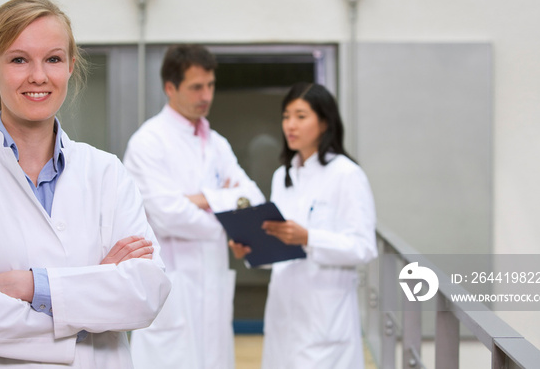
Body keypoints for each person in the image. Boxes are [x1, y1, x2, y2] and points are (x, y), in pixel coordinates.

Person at [0, 0, 171, 368]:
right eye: (19, 60)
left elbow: (146, 294)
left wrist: (28, 285)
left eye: (53, 59)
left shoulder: (107, 173)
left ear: (70, 67)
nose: (39, 76)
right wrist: (92, 299)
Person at [123, 44, 265, 369]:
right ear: (170, 88)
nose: (206, 95)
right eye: (196, 87)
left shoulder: (217, 143)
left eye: (211, 85)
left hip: (211, 289)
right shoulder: (148, 142)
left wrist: (199, 199)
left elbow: (253, 199)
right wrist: (224, 205)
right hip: (173, 290)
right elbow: (167, 214)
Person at [230, 82, 377, 369]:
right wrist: (252, 250)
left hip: (325, 321)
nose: (290, 125)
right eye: (286, 116)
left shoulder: (347, 175)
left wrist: (308, 237)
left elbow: (363, 247)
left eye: (300, 116)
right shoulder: (282, 176)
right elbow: (282, 249)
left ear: (324, 122)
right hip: (283, 316)